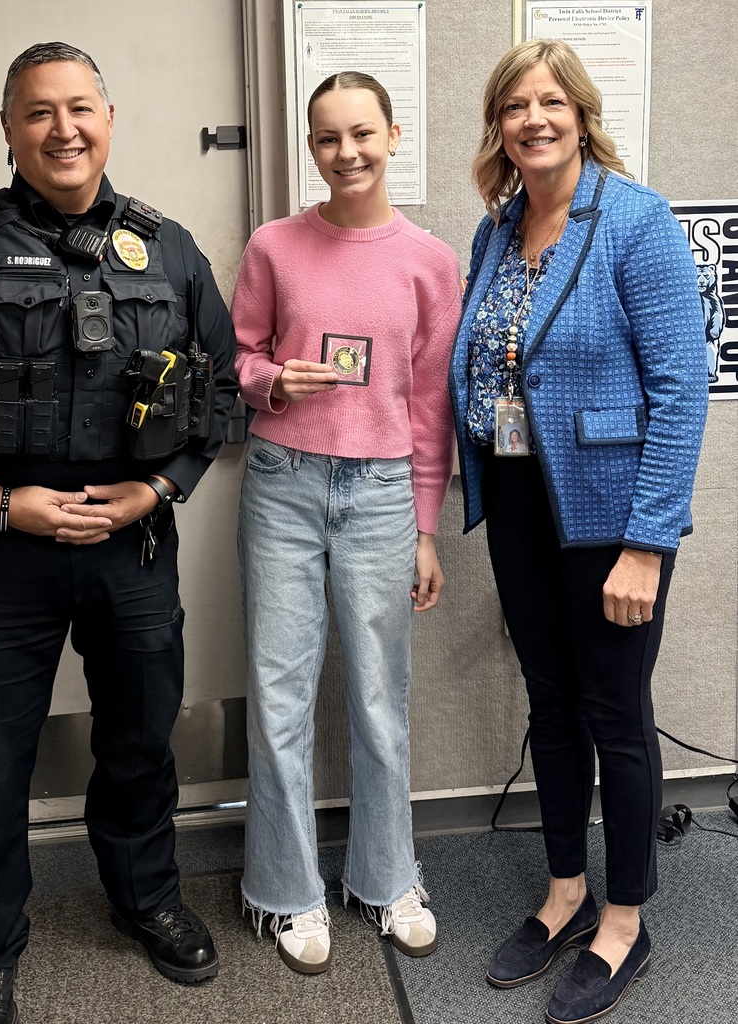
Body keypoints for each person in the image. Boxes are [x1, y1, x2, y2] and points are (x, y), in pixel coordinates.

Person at [0, 41, 237, 1023]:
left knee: (140, 741)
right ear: (9, 130)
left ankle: (146, 896)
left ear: (109, 119)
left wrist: (162, 490)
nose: (63, 129)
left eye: (80, 108)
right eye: (38, 112)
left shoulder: (173, 249)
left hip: (131, 547)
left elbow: (221, 397)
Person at [448, 39, 707, 1024]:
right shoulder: (497, 227)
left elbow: (680, 389)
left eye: (549, 101)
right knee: (550, 704)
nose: (532, 119)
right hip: (518, 498)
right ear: (498, 124)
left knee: (613, 712)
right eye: (514, 105)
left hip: (609, 512)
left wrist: (647, 541)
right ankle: (564, 892)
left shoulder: (632, 221)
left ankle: (624, 918)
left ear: (581, 111)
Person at [232, 71, 461, 974]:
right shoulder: (274, 246)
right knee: (280, 696)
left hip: (381, 492)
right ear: (311, 147)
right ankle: (288, 893)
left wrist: (426, 525)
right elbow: (240, 356)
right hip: (283, 482)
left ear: (394, 136)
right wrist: (271, 381)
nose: (347, 153)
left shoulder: (430, 260)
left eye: (362, 134)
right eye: (328, 138)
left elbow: (433, 401)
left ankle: (387, 877)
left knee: (379, 699)